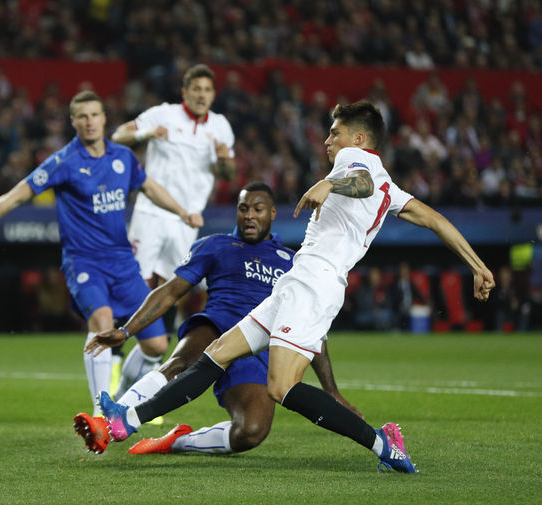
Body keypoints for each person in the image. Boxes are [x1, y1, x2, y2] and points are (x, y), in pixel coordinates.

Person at [96, 101, 496, 473]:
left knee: (281, 386)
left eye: (335, 132)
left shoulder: (354, 161)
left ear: (359, 138)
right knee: (215, 354)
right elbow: (435, 220)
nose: (327, 140)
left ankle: (383, 445)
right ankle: (126, 420)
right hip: (297, 282)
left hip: (315, 284)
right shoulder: (391, 188)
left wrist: (331, 185)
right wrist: (478, 266)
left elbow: (361, 183)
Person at [0, 91, 203, 415]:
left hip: (124, 264)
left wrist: (182, 212)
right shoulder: (63, 162)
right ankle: (100, 412)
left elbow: (150, 188)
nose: (89, 121)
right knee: (102, 321)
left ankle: (121, 397)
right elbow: (14, 197)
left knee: (156, 345)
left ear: (104, 118)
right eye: (82, 116)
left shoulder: (123, 157)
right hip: (84, 262)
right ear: (73, 122)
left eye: (94, 115)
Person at [74, 182, 361, 455]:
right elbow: (170, 291)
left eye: (257, 209)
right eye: (243, 208)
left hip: (257, 346)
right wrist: (126, 331)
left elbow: (310, 328)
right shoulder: (215, 245)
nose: (249, 216)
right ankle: (108, 423)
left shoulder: (292, 262)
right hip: (216, 326)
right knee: (181, 361)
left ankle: (177, 442)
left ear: (272, 213)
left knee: (251, 431)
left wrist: (331, 390)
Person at [111, 63, 234, 386]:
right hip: (151, 212)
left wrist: (224, 159)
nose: (201, 95)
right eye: (196, 89)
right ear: (185, 92)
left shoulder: (220, 126)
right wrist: (146, 133)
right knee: (134, 284)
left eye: (207, 90)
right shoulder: (163, 114)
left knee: (173, 289)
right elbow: (118, 135)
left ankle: (150, 367)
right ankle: (115, 354)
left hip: (187, 220)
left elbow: (228, 174)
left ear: (213, 95)